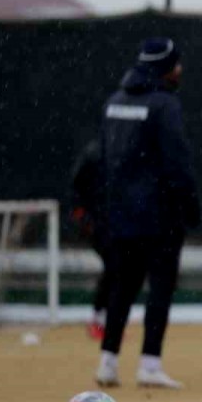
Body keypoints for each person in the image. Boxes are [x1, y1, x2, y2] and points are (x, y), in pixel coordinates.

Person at [94, 38, 200, 389]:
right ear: (165, 68)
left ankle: (108, 361)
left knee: (121, 287)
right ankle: (149, 363)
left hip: (121, 214)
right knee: (160, 288)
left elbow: (104, 159)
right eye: (177, 64)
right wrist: (189, 203)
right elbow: (177, 161)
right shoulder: (164, 105)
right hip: (160, 217)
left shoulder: (114, 102)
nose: (180, 70)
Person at [70, 138, 113, 341]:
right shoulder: (94, 153)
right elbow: (76, 187)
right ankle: (97, 319)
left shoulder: (123, 151)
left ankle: (102, 319)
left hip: (113, 221)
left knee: (117, 267)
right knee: (114, 265)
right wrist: (82, 215)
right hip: (95, 223)